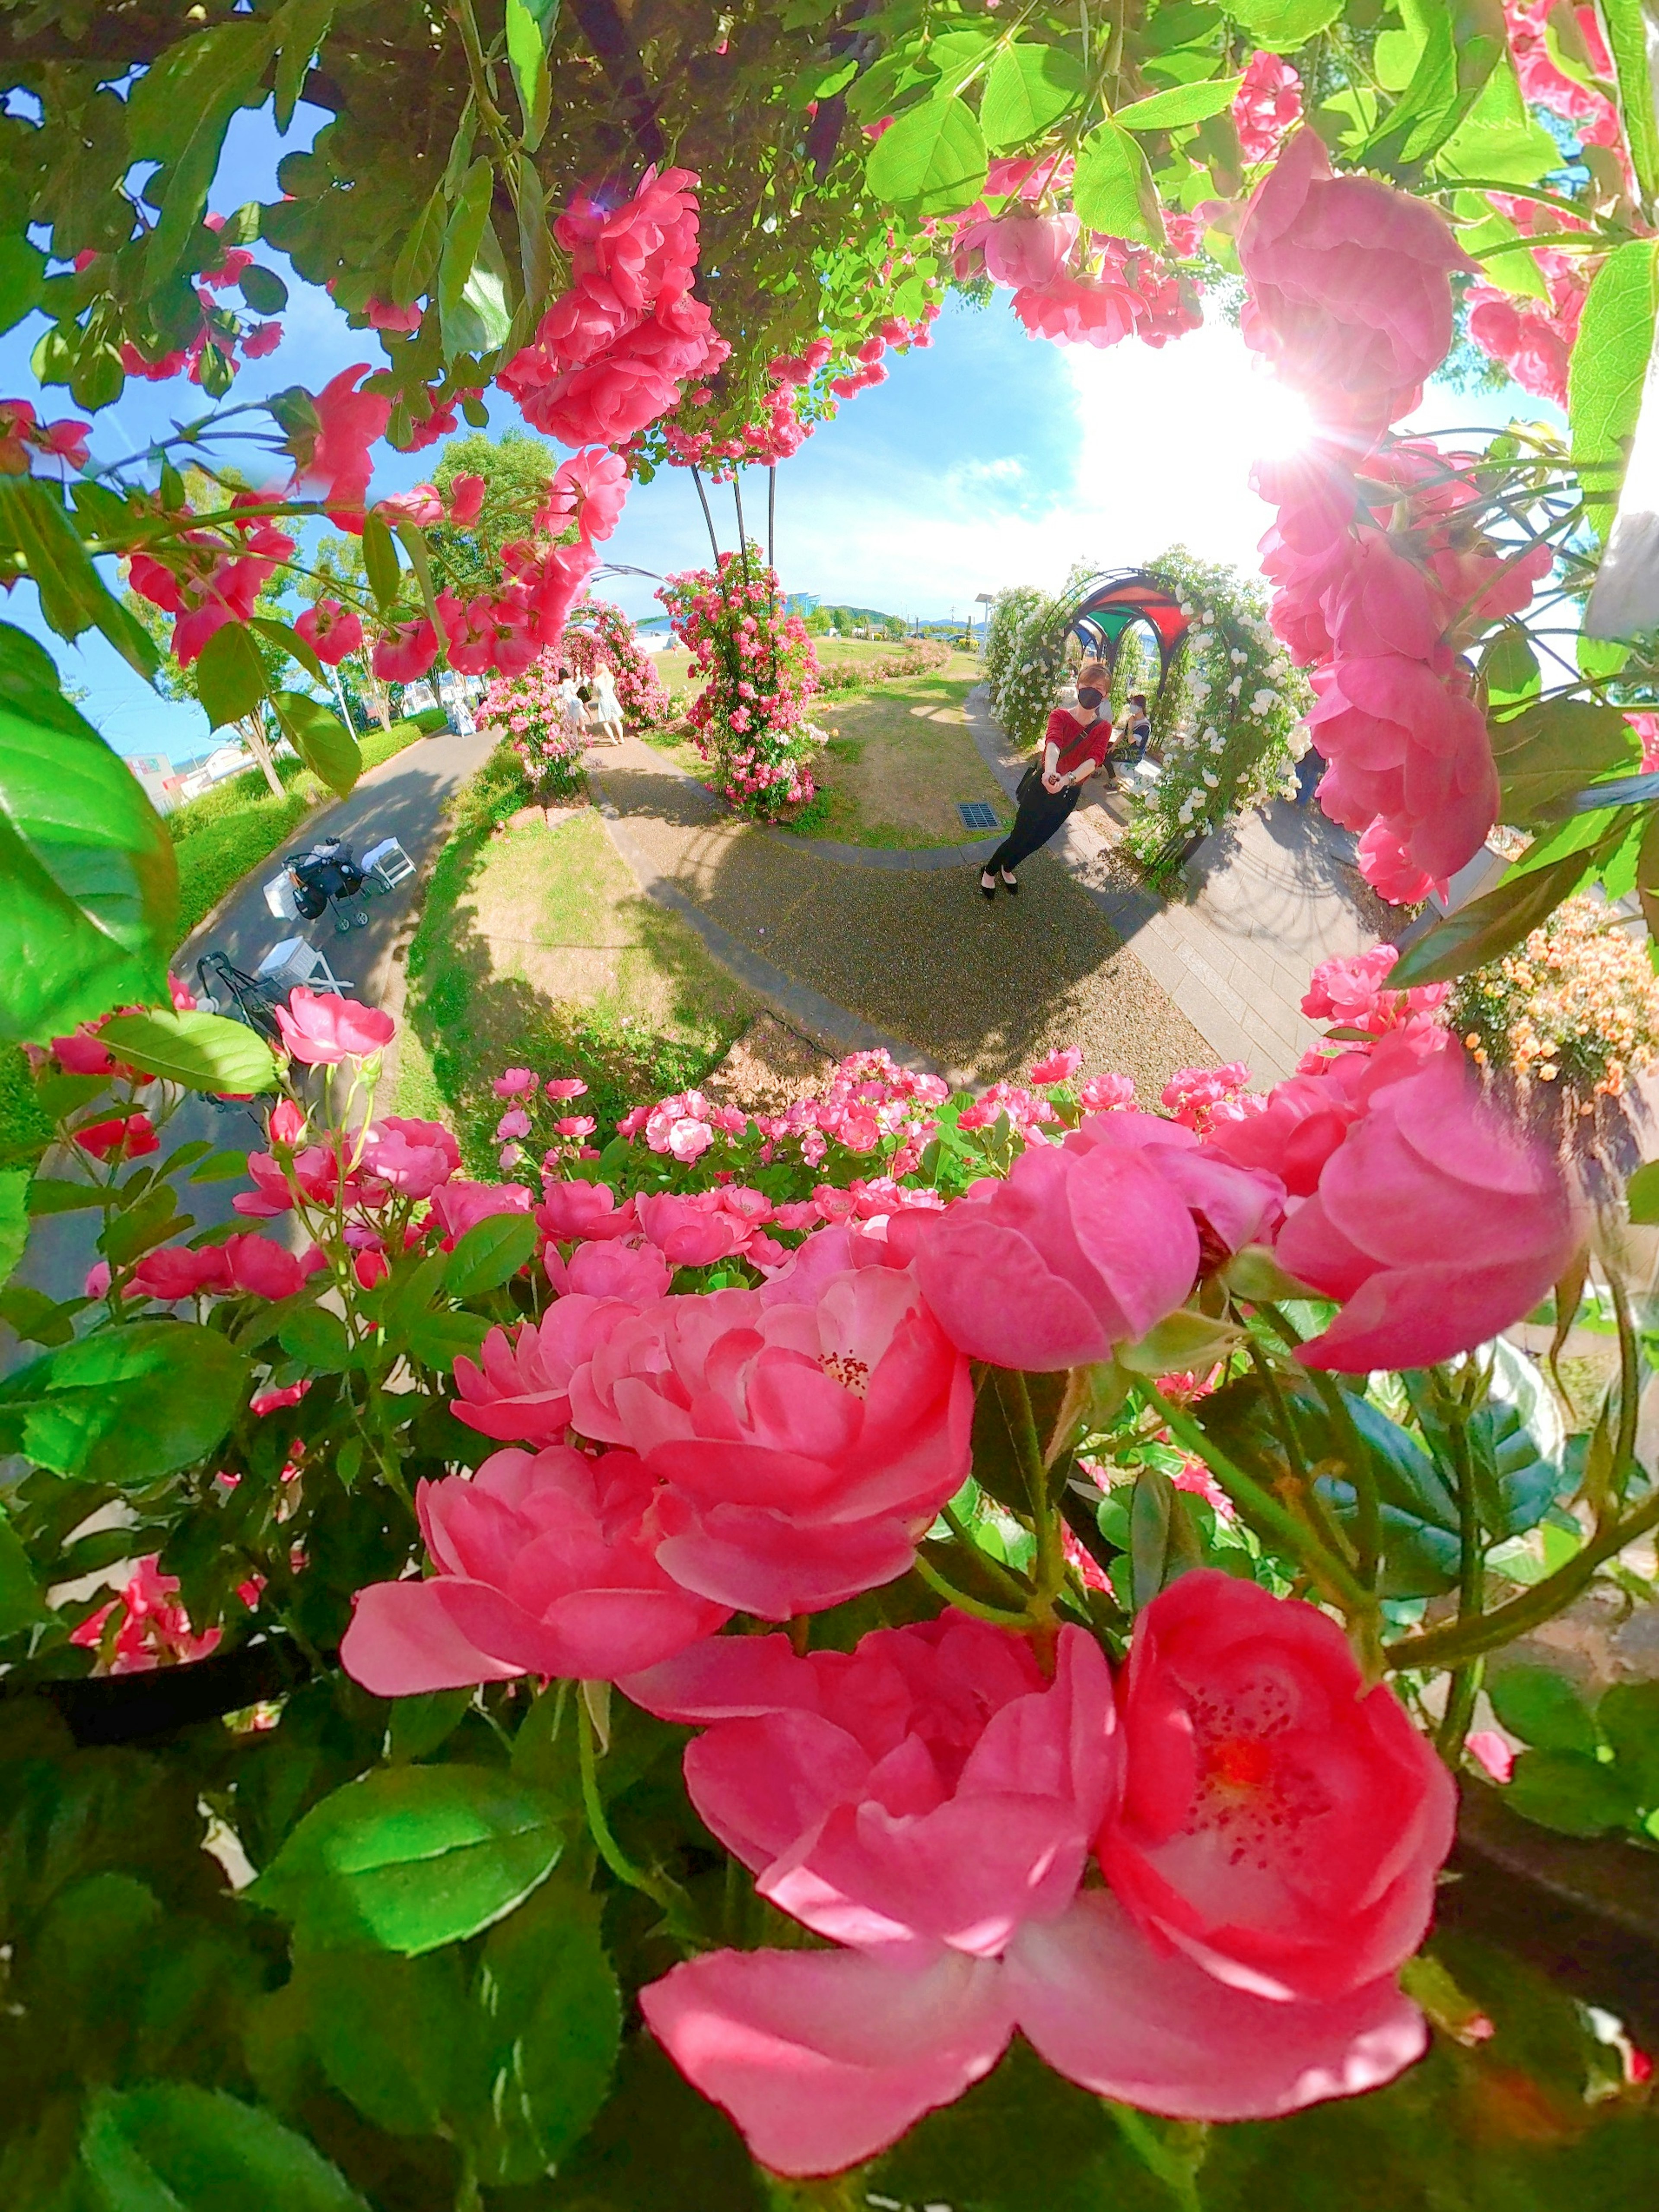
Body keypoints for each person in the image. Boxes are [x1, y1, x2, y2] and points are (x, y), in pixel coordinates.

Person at [980, 660, 1112, 900]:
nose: (1092, 691)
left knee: (1038, 840)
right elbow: (1053, 744)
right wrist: (1050, 773)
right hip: (1042, 787)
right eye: (1088, 684)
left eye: (1100, 688)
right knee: (1021, 835)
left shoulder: (1103, 728)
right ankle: (990, 871)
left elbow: (1095, 760)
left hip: (1068, 794)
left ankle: (1007, 867)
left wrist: (1067, 780)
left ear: (1105, 696)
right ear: (1078, 685)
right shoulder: (1060, 715)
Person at [590, 660, 625, 745]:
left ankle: (614, 740)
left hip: (604, 700)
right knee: (616, 719)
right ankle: (621, 738)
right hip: (612, 699)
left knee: (605, 722)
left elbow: (595, 693)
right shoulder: (611, 677)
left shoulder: (596, 680)